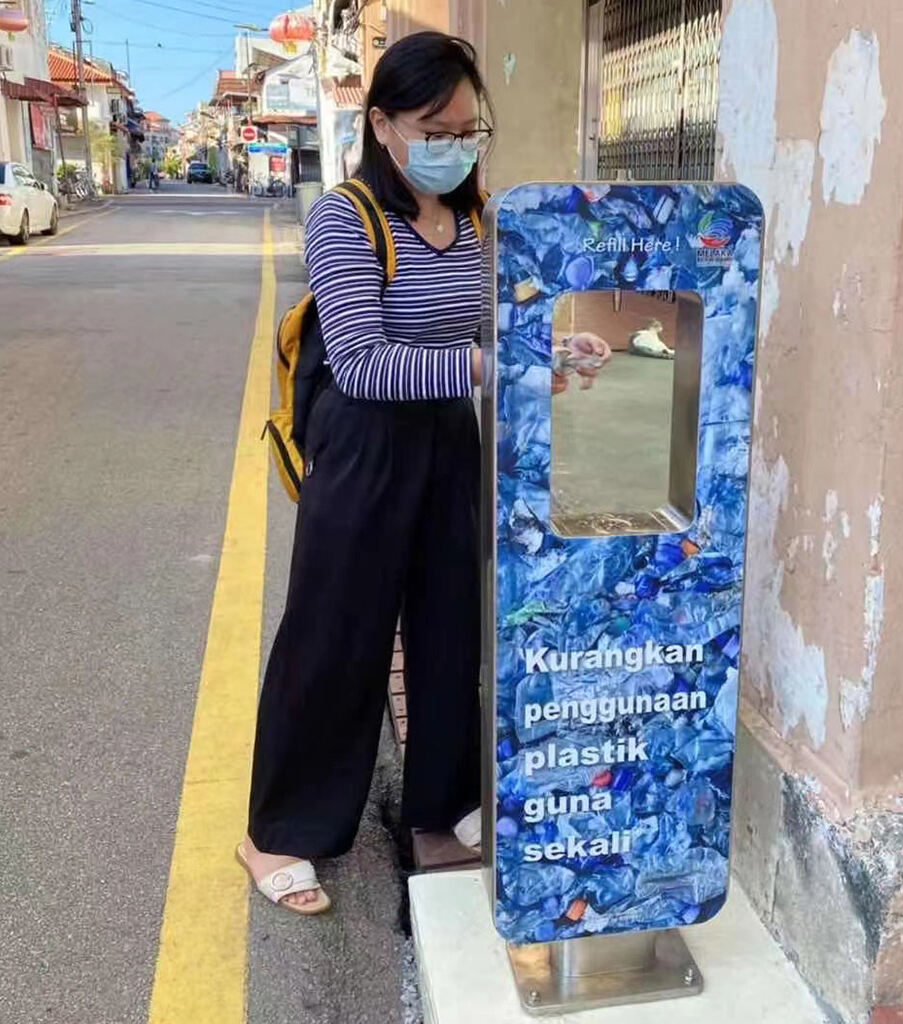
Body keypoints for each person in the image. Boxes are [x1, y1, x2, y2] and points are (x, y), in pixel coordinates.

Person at [236, 31, 610, 914]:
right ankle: (279, 831)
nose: (454, 142)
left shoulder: (478, 220)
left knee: (450, 634)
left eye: (469, 127)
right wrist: (486, 369)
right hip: (363, 444)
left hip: (447, 443)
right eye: (434, 126)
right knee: (335, 638)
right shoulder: (345, 217)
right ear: (384, 125)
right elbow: (363, 363)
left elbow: (493, 331)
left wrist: (554, 351)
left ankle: (441, 807)